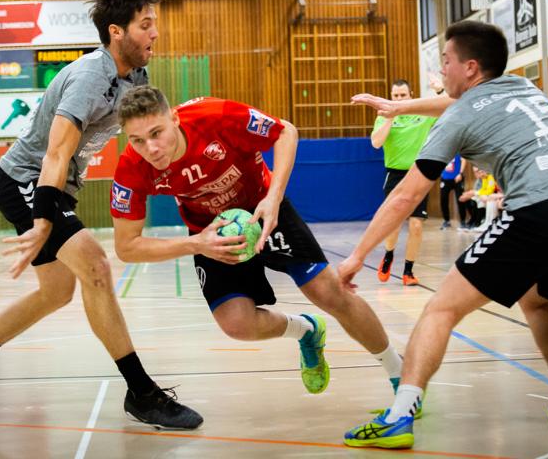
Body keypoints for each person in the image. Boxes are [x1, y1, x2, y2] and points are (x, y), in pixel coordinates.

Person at [0, 0, 203, 430]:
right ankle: (142, 393)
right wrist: (42, 217)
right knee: (96, 266)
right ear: (117, 31)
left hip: (53, 186)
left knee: (57, 291)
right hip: (27, 180)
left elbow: (146, 134)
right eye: (145, 24)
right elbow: (56, 152)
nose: (155, 33)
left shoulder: (136, 74)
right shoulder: (90, 77)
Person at [340, 20, 548, 450]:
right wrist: (400, 108)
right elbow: (454, 103)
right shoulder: (524, 88)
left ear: (469, 68)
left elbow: (404, 198)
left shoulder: (459, 117)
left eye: (445, 61)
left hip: (537, 215)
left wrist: (357, 256)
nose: (441, 69)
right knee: (537, 300)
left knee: (440, 310)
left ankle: (399, 416)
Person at [110, 85, 413, 408]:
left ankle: (402, 376)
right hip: (211, 233)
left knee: (328, 292)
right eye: (137, 140)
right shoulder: (132, 168)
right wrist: (196, 243)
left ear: (174, 118)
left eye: (157, 133)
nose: (151, 148)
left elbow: (286, 132)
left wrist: (274, 198)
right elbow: (127, 247)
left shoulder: (216, 117)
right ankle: (307, 331)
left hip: (264, 208)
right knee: (237, 325)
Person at [370, 79, 438, 286]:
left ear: (411, 95)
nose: (399, 99)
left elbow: (448, 107)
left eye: (403, 95)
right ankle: (389, 256)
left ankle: (408, 271)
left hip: (419, 172)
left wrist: (439, 90)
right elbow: (376, 143)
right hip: (395, 175)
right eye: (395, 96)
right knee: (395, 223)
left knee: (416, 225)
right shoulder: (383, 117)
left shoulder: (423, 114)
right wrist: (390, 118)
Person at [438, 154, 468, 230]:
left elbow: (464, 159)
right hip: (445, 178)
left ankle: (463, 221)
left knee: (460, 199)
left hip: (457, 178)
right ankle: (446, 220)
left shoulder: (458, 148)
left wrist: (460, 173)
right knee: (443, 199)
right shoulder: (444, 149)